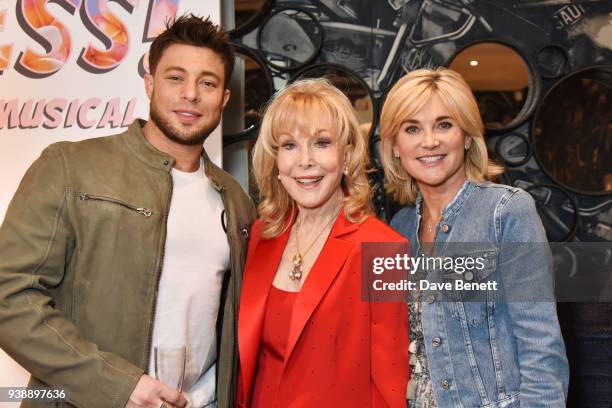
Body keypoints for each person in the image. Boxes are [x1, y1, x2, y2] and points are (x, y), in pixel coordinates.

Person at [0, 15, 255, 408]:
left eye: (207, 82)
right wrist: (118, 386)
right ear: (150, 83)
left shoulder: (235, 200)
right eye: (175, 77)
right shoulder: (71, 167)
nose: (191, 94)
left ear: (223, 98)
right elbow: (9, 295)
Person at [379, 67, 569, 407]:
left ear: (467, 135)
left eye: (444, 124)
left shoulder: (507, 213)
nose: (429, 141)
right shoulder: (399, 228)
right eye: (412, 128)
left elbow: (541, 349)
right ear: (395, 146)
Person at [236, 79, 409, 407]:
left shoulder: (385, 249)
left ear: (347, 155)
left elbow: (390, 384)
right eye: (289, 145)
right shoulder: (261, 235)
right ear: (275, 161)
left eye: (321, 143)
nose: (305, 161)